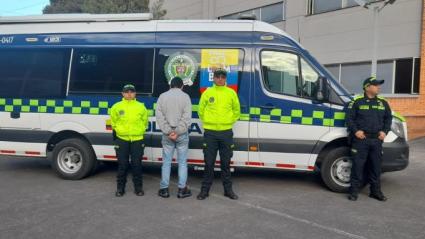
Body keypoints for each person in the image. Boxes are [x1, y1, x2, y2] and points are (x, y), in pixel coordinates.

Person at [196, 68, 241, 200]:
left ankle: (228, 190)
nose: (220, 79)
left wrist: (228, 122)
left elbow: (236, 111)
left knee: (225, 164)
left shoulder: (231, 93)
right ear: (213, 78)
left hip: (226, 133)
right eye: (217, 77)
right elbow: (201, 111)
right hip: (210, 133)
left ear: (225, 78)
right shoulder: (207, 93)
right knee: (209, 163)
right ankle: (204, 191)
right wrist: (209, 122)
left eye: (222, 77)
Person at [346, 76, 392, 201]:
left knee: (376, 167)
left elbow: (389, 118)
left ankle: (375, 192)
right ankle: (354, 192)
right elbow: (349, 119)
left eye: (378, 85)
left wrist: (385, 131)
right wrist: (356, 131)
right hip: (361, 140)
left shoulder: (383, 103)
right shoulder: (357, 102)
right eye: (376, 85)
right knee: (357, 166)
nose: (379, 87)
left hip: (377, 140)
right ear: (367, 87)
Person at [156, 77, 192, 198]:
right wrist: (177, 131)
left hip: (167, 135)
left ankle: (164, 189)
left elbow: (159, 117)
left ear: (170, 85)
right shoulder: (185, 97)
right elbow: (186, 118)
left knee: (166, 162)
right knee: (182, 163)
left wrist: (168, 131)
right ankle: (182, 190)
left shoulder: (162, 96)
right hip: (181, 134)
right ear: (182, 86)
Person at [110, 84, 148, 197]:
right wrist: (120, 131)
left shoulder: (141, 106)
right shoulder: (116, 106)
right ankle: (120, 189)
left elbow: (145, 122)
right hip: (122, 139)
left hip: (137, 139)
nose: (129, 94)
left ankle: (138, 188)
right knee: (123, 165)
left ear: (135, 93)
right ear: (122, 93)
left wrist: (139, 130)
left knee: (137, 165)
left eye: (132, 91)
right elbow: (113, 122)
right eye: (127, 92)